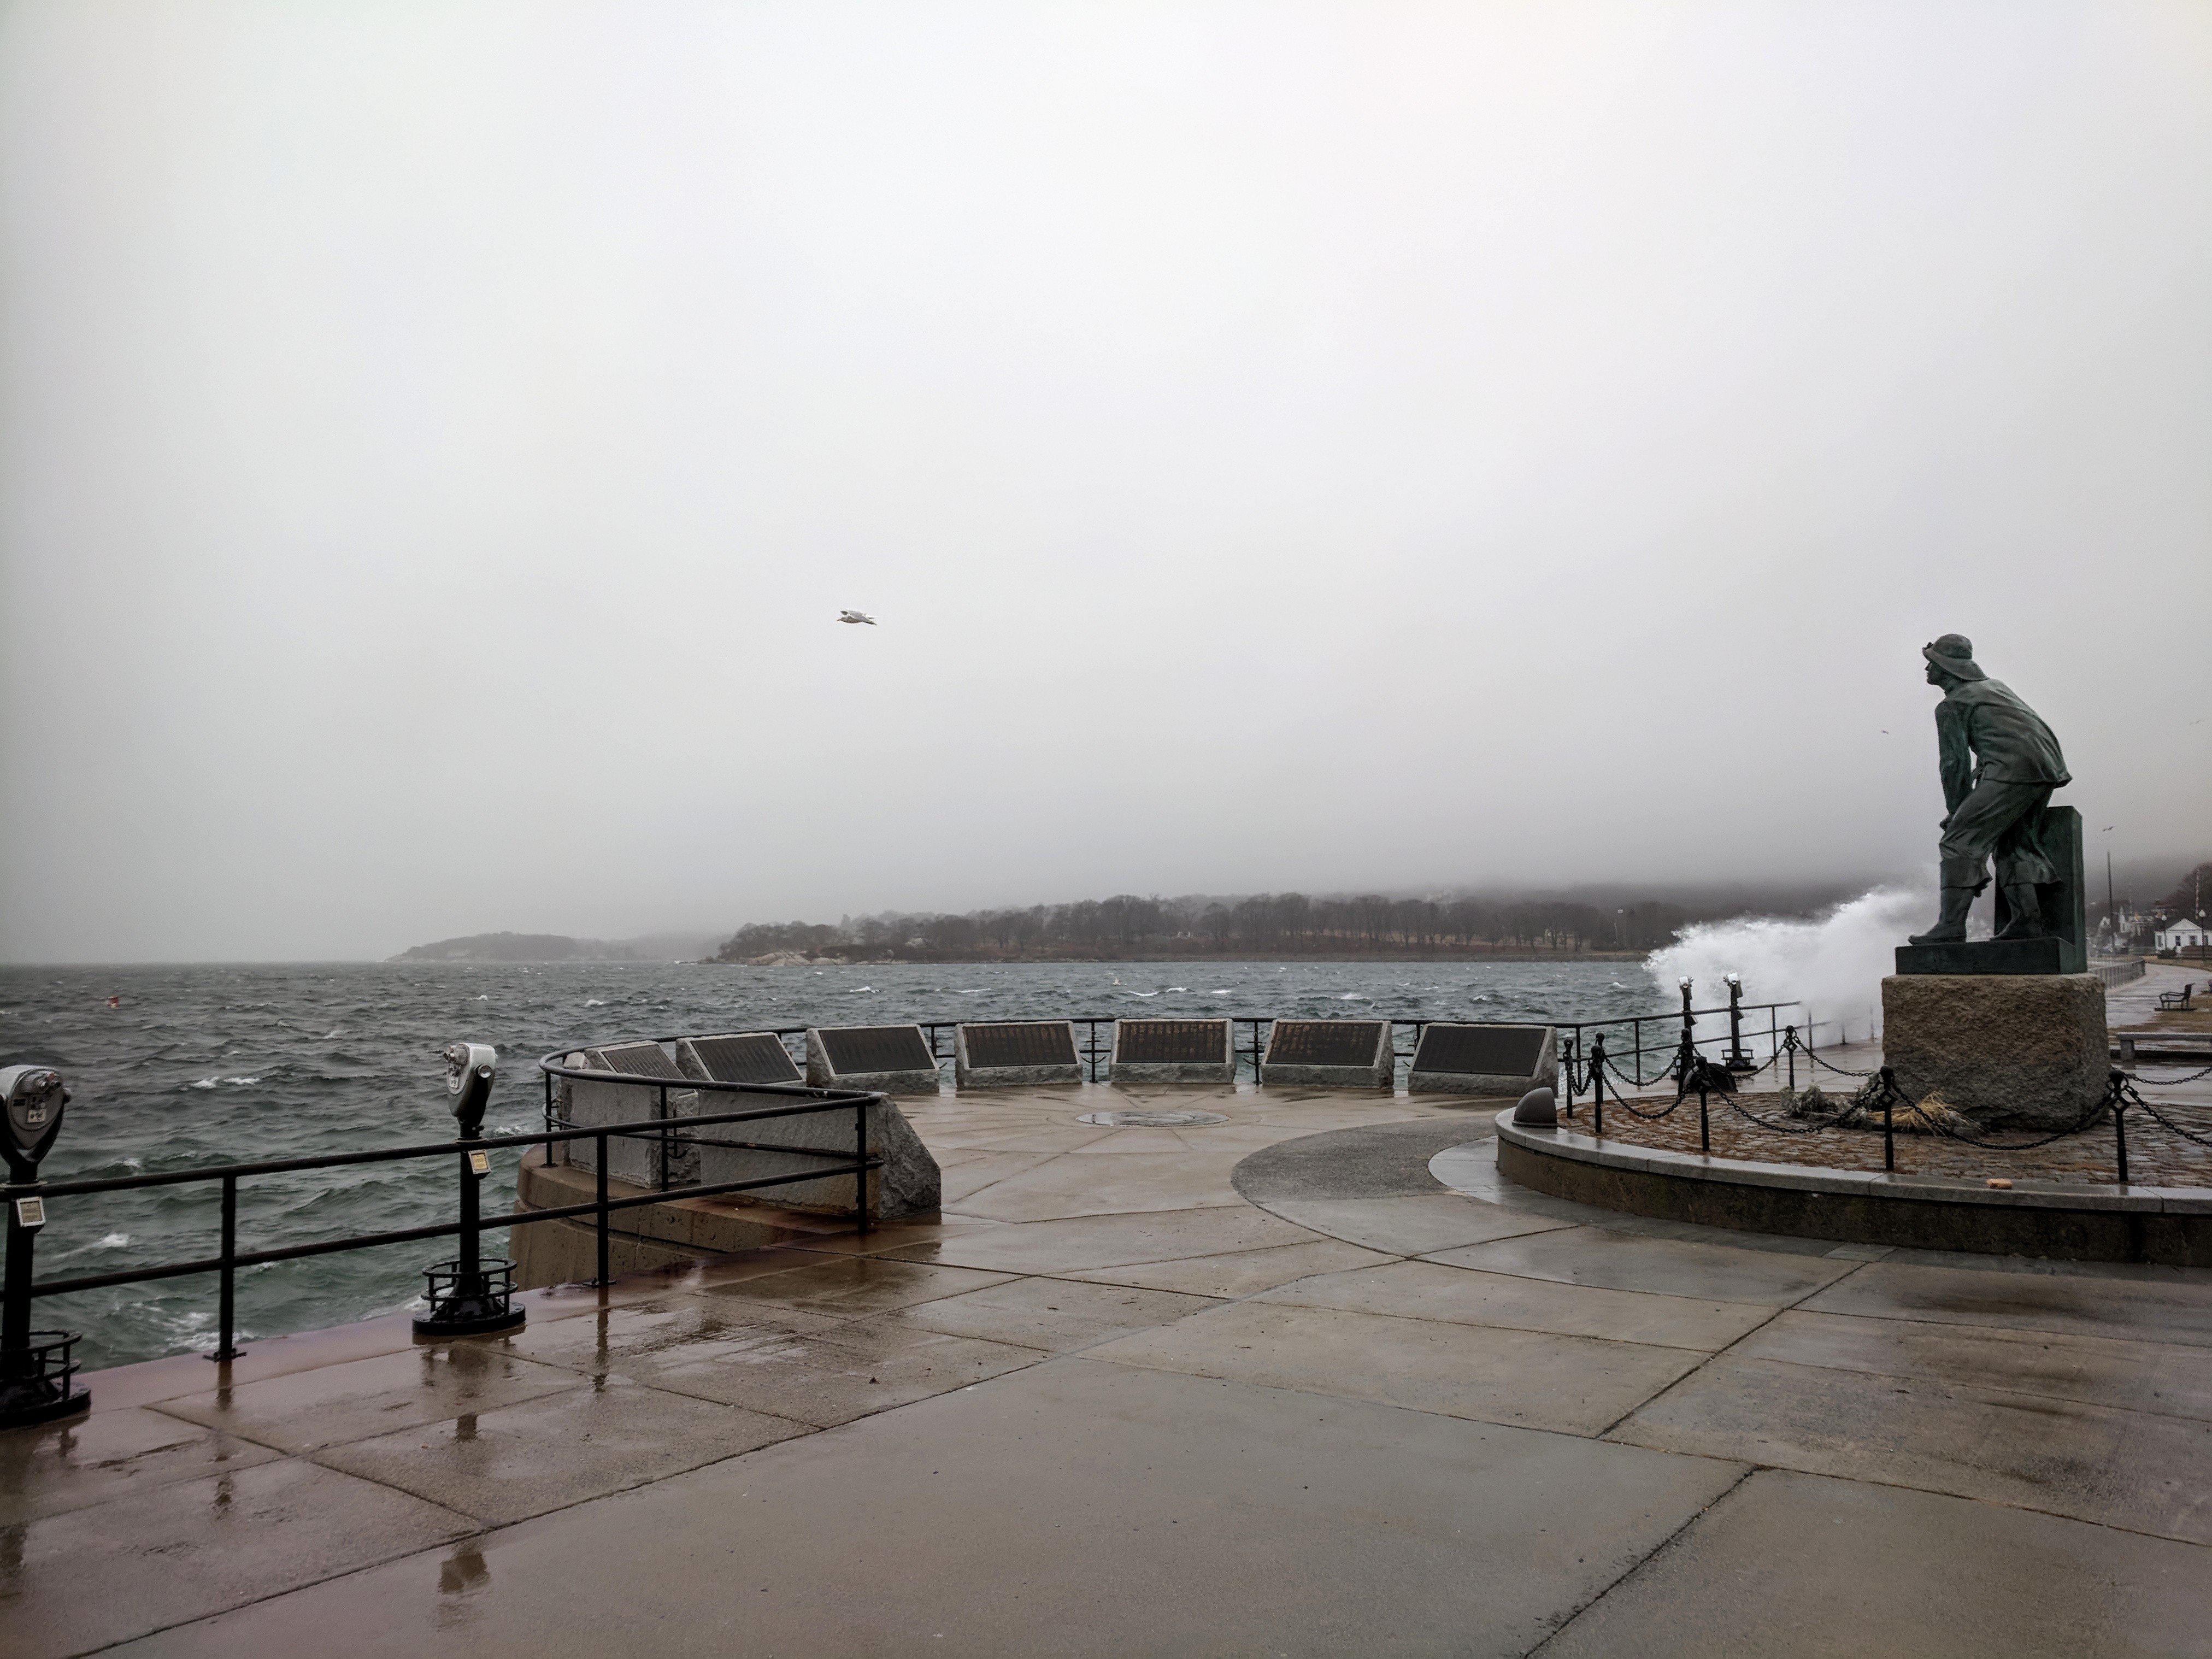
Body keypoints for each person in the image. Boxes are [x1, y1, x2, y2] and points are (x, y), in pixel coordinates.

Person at [1907, 634, 2071, 945]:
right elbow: (2011, 733)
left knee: (1959, 843)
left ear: (1947, 668)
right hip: (2045, 768)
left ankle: (1951, 927)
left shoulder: (1953, 704)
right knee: (2014, 844)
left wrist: (1956, 811)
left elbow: (1953, 763)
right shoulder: (1995, 688)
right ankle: (2027, 922)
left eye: (1932, 662)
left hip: (2012, 770)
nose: (1927, 668)